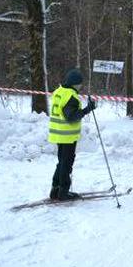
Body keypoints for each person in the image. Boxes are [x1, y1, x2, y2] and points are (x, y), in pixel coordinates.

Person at [48, 68, 97, 200]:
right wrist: (88, 109)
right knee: (66, 163)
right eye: (80, 84)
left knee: (61, 162)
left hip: (59, 133)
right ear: (75, 84)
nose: (81, 86)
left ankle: (55, 189)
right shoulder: (71, 96)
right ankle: (63, 192)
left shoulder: (59, 91)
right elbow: (71, 116)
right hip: (67, 135)